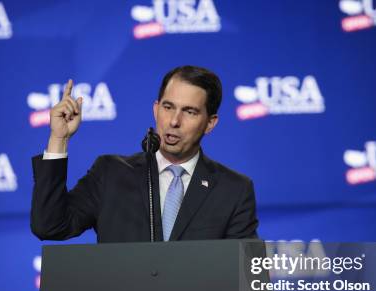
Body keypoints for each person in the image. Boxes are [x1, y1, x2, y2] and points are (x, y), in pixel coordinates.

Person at [31, 65, 258, 243]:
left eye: (189, 111)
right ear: (155, 109)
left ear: (210, 123)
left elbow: (247, 279)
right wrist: (58, 139)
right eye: (168, 107)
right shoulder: (111, 173)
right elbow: (50, 226)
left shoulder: (233, 191)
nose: (174, 121)